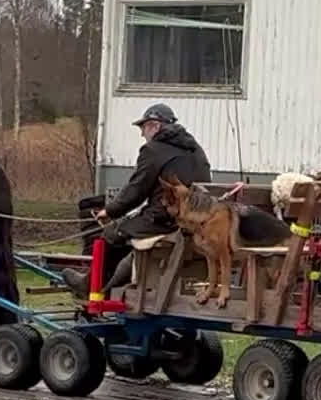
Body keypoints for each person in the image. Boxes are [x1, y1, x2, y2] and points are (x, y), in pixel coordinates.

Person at [63, 103, 212, 298]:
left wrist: (110, 211)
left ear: (155, 125)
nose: (142, 134)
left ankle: (90, 286)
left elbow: (137, 189)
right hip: (196, 222)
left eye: (143, 127)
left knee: (112, 234)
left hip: (165, 220)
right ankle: (112, 286)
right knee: (126, 231)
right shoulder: (196, 150)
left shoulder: (153, 149)